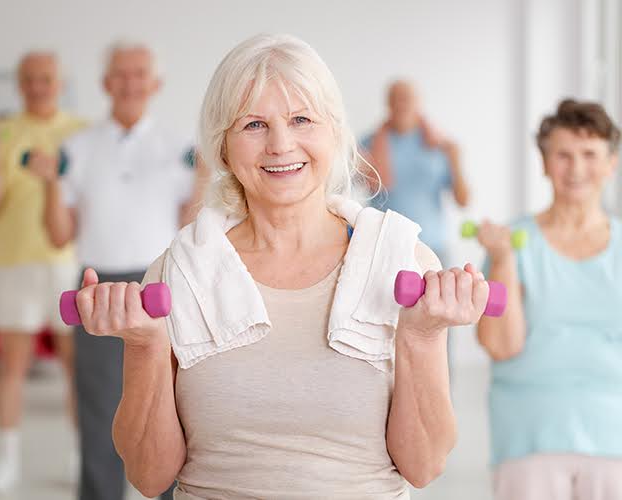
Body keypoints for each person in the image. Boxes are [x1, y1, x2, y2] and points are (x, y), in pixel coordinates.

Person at [68, 34, 492, 499]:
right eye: (253, 125)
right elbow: (150, 477)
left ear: (334, 130)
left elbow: (424, 464)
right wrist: (146, 345)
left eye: (301, 119)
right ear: (223, 147)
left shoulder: (401, 262)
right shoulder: (178, 274)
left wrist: (422, 335)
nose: (281, 144)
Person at [29, 41, 204, 500]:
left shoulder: (183, 146)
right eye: (120, 74)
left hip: (160, 287)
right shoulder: (77, 147)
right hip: (96, 286)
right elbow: (58, 235)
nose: (130, 82)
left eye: (139, 73)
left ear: (156, 83)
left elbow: (191, 225)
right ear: (106, 84)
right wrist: (50, 183)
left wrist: (206, 176)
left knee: (165, 405)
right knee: (98, 407)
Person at [476, 99, 622, 500]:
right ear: (544, 163)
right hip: (530, 437)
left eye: (590, 154)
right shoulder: (511, 242)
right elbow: (500, 345)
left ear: (611, 163)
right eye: (563, 155)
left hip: (615, 440)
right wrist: (503, 260)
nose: (576, 169)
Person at [0, 51, 86, 493]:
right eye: (30, 79)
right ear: (19, 84)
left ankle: (80, 458)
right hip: (15, 262)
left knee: (78, 370)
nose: (39, 86)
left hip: (69, 263)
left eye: (47, 78)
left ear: (60, 82)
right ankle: (6, 462)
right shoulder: (4, 133)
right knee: (11, 367)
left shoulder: (80, 132)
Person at [362, 80, 470, 260]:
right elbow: (361, 188)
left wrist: (456, 161)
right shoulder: (368, 144)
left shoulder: (439, 145)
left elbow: (463, 201)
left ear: (419, 102)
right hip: (385, 248)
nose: (401, 104)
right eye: (395, 98)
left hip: (434, 248)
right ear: (388, 104)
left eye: (407, 98)